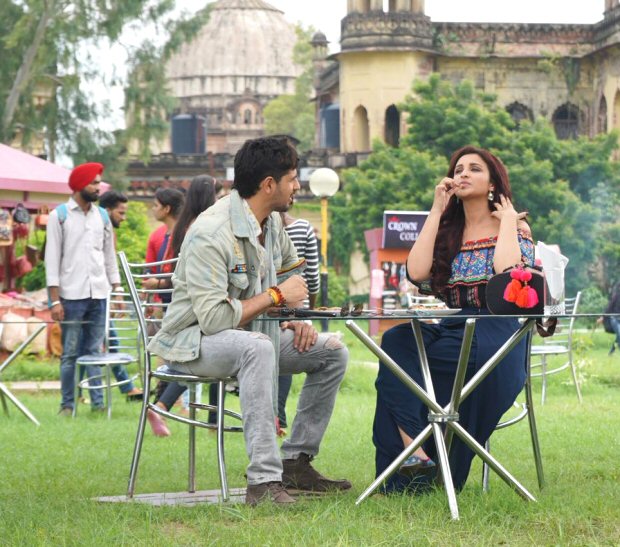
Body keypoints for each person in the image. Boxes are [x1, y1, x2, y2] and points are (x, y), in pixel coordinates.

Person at [148, 136, 351, 506]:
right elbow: (213, 319)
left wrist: (291, 319)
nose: (297, 186)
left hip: (254, 334)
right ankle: (263, 482)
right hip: (193, 343)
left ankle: (295, 462)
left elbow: (289, 280)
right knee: (256, 348)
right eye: (292, 178)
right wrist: (276, 298)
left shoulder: (271, 222)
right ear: (269, 184)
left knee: (332, 352)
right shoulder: (211, 232)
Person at [373, 145, 533, 493]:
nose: (462, 174)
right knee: (396, 344)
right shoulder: (448, 229)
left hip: (496, 332)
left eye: (474, 169)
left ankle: (419, 459)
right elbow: (416, 272)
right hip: (455, 326)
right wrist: (435, 210)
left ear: (493, 183)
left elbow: (508, 275)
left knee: (406, 374)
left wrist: (506, 222)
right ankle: (414, 451)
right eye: (458, 168)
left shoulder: (514, 226)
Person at [142, 175, 218, 437]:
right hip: (197, 306)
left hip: (178, 304)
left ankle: (172, 407)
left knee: (205, 352)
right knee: (220, 344)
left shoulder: (180, 228)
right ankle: (211, 418)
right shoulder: (206, 227)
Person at [45, 162, 122, 415]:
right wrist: (54, 301)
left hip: (99, 294)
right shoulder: (60, 216)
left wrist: (117, 289)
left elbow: (109, 256)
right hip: (71, 297)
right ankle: (67, 405)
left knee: (94, 351)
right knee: (69, 354)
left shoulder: (102, 216)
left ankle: (98, 404)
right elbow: (52, 260)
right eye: (94, 183)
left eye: (99, 182)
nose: (98, 187)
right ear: (80, 186)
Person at [277, 211, 320, 434]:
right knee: (287, 350)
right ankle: (277, 415)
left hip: (272, 308)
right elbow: (312, 277)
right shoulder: (302, 228)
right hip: (292, 307)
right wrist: (307, 311)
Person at [97, 190, 143, 400]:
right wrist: (116, 294)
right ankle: (125, 387)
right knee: (107, 339)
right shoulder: (103, 229)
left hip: (103, 293)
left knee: (104, 340)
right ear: (107, 211)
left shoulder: (106, 229)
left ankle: (126, 387)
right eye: (121, 212)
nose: (123, 218)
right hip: (96, 295)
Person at [144, 188, 184, 302]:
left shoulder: (183, 235)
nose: (153, 209)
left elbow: (183, 271)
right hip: (166, 298)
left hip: (179, 300)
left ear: (166, 209)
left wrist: (159, 283)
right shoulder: (166, 234)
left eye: (156, 205)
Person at [603, 282, 620, 355]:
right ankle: (613, 350)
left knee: (619, 336)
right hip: (614, 318)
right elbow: (609, 307)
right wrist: (603, 317)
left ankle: (611, 351)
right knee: (619, 334)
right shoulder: (616, 296)